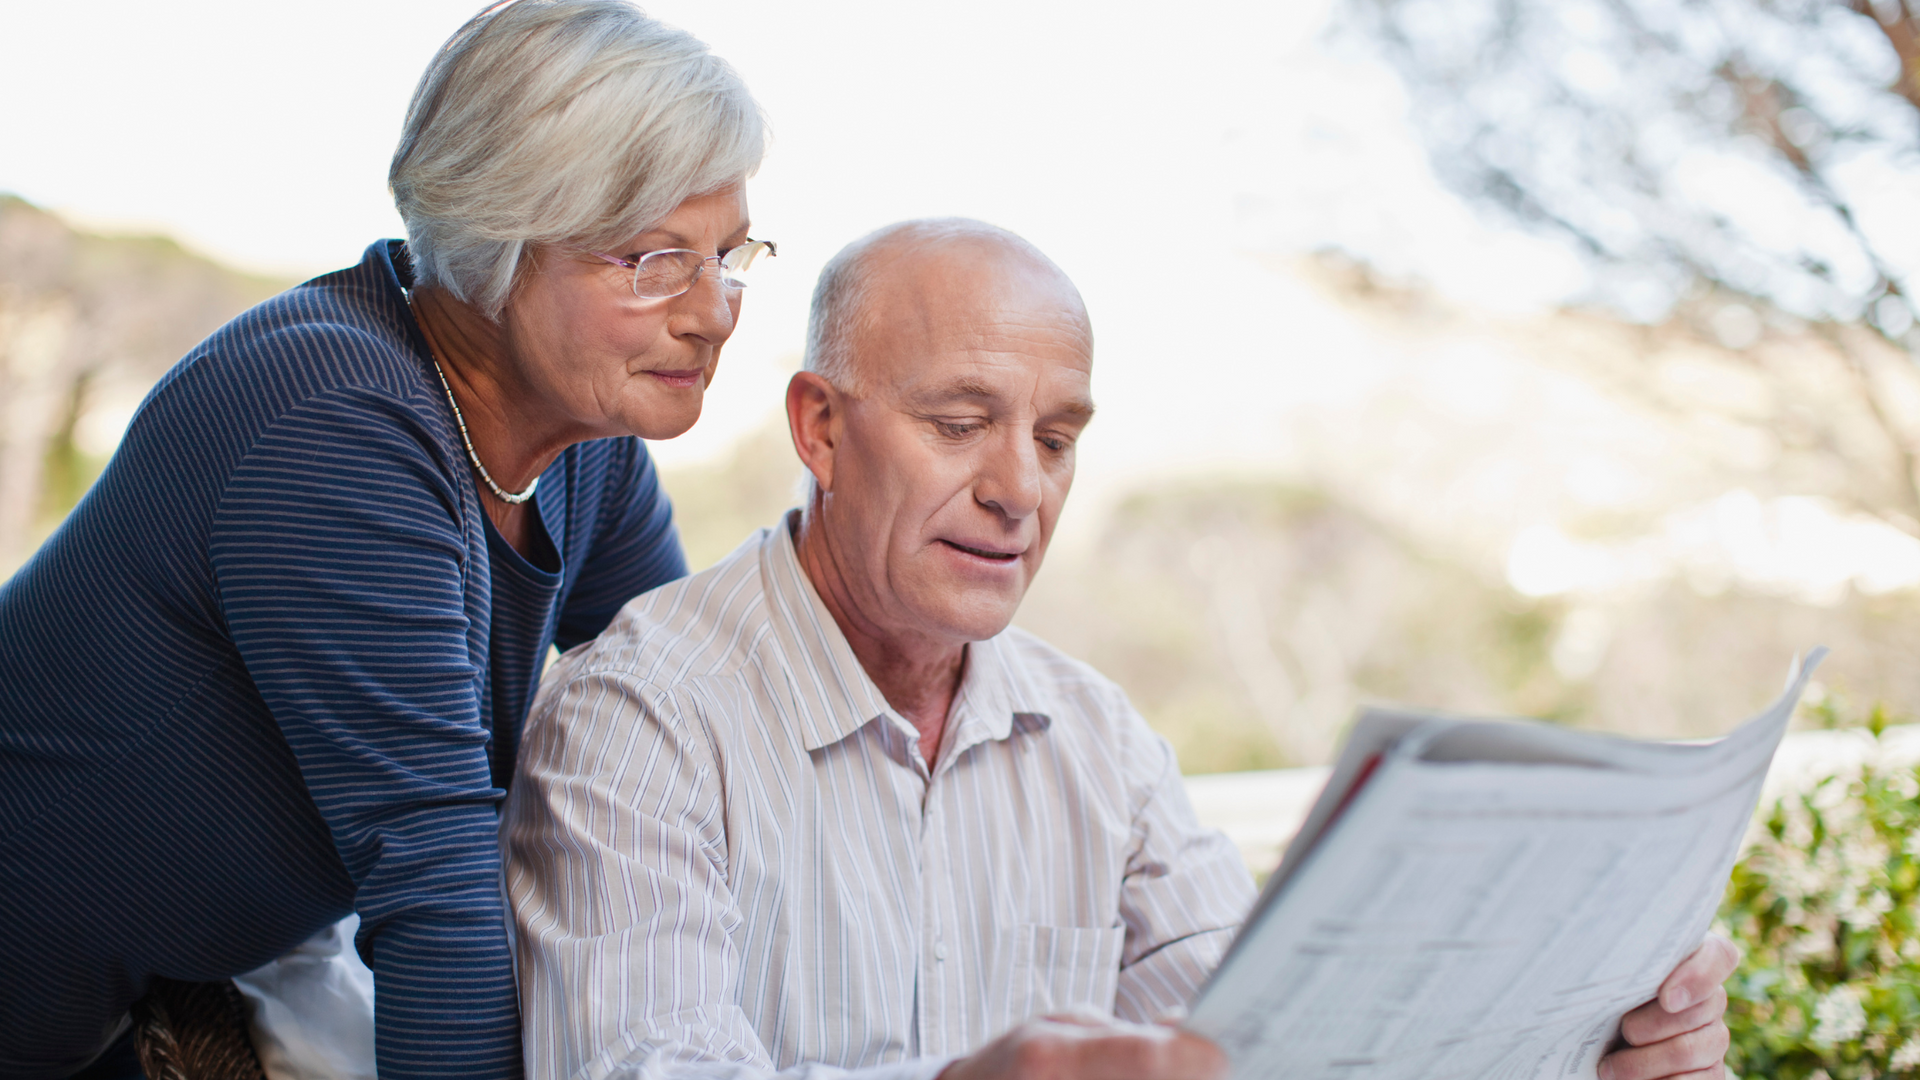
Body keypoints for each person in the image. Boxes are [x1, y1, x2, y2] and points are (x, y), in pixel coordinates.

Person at [501, 219, 1740, 1080]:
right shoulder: (639, 716)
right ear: (820, 428)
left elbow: (1256, 1046)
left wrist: (1591, 1048)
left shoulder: (1096, 740)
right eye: (960, 422)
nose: (1017, 491)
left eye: (1057, 439)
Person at [0, 2, 770, 1077]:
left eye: (729, 254)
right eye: (654, 260)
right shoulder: (329, 420)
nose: (716, 312)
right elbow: (436, 880)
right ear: (497, 232)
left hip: (127, 1011)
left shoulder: (585, 442)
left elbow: (691, 752)